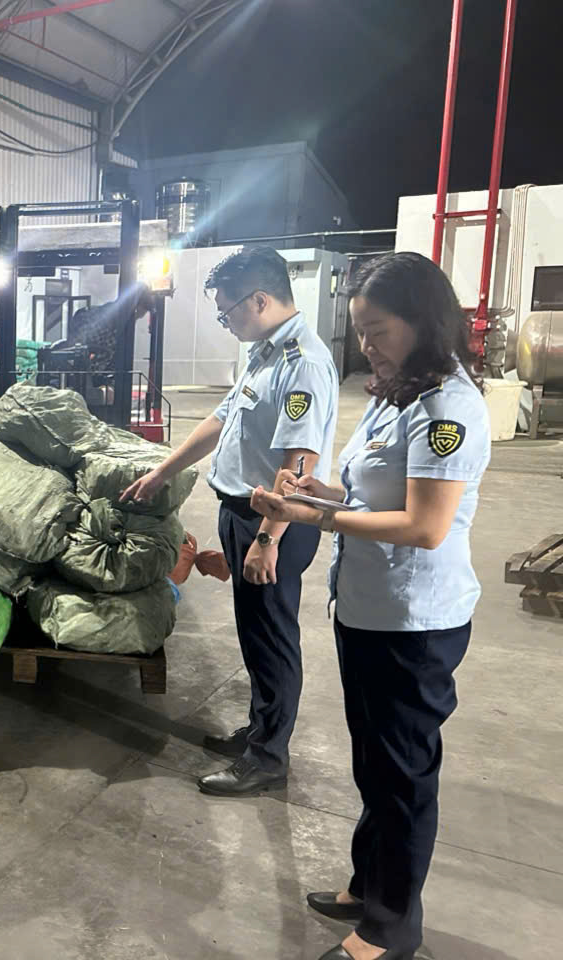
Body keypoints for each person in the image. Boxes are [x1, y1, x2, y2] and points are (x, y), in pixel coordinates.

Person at [250, 252, 490, 960]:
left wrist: (314, 518)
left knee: (402, 773)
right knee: (373, 763)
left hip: (415, 622)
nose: (366, 345)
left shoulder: (446, 408)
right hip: (366, 608)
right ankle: (369, 885)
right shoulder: (396, 394)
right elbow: (367, 491)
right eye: (359, 330)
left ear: (423, 323)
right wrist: (316, 493)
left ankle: (391, 929)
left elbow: (424, 525)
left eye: (378, 331)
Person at [120, 246, 339, 797]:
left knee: (273, 638)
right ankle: (260, 731)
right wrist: (161, 471)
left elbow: (299, 463)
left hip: (273, 525)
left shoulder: (302, 363)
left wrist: (267, 538)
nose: (226, 322)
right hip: (244, 514)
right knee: (255, 634)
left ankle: (268, 759)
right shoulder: (264, 353)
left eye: (227, 312)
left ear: (259, 300)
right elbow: (222, 420)